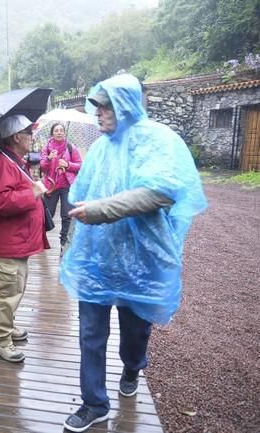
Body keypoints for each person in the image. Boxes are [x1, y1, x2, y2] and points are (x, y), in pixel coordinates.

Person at [59, 74, 207, 433]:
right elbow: (83, 197)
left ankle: (133, 365)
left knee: (134, 332)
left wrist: (101, 209)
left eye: (105, 106)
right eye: (96, 106)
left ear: (125, 104)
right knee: (90, 333)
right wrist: (71, 244)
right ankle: (94, 403)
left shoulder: (157, 140)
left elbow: (161, 193)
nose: (98, 113)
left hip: (140, 261)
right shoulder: (99, 149)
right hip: (97, 260)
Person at [0, 115, 50, 363]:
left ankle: (7, 327)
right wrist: (31, 191)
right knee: (8, 292)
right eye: (29, 133)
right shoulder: (2, 164)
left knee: (16, 288)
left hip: (18, 242)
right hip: (10, 243)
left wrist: (32, 187)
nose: (32, 138)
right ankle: (0, 340)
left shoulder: (15, 162)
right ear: (16, 137)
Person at [40, 123, 82, 248]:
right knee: (48, 213)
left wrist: (67, 164)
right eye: (56, 130)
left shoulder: (70, 147)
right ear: (52, 133)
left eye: (61, 130)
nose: (59, 132)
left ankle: (64, 243)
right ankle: (41, 238)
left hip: (67, 186)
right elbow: (42, 166)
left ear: (64, 133)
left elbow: (80, 165)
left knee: (67, 215)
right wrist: (48, 158)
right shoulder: (47, 148)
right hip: (51, 185)